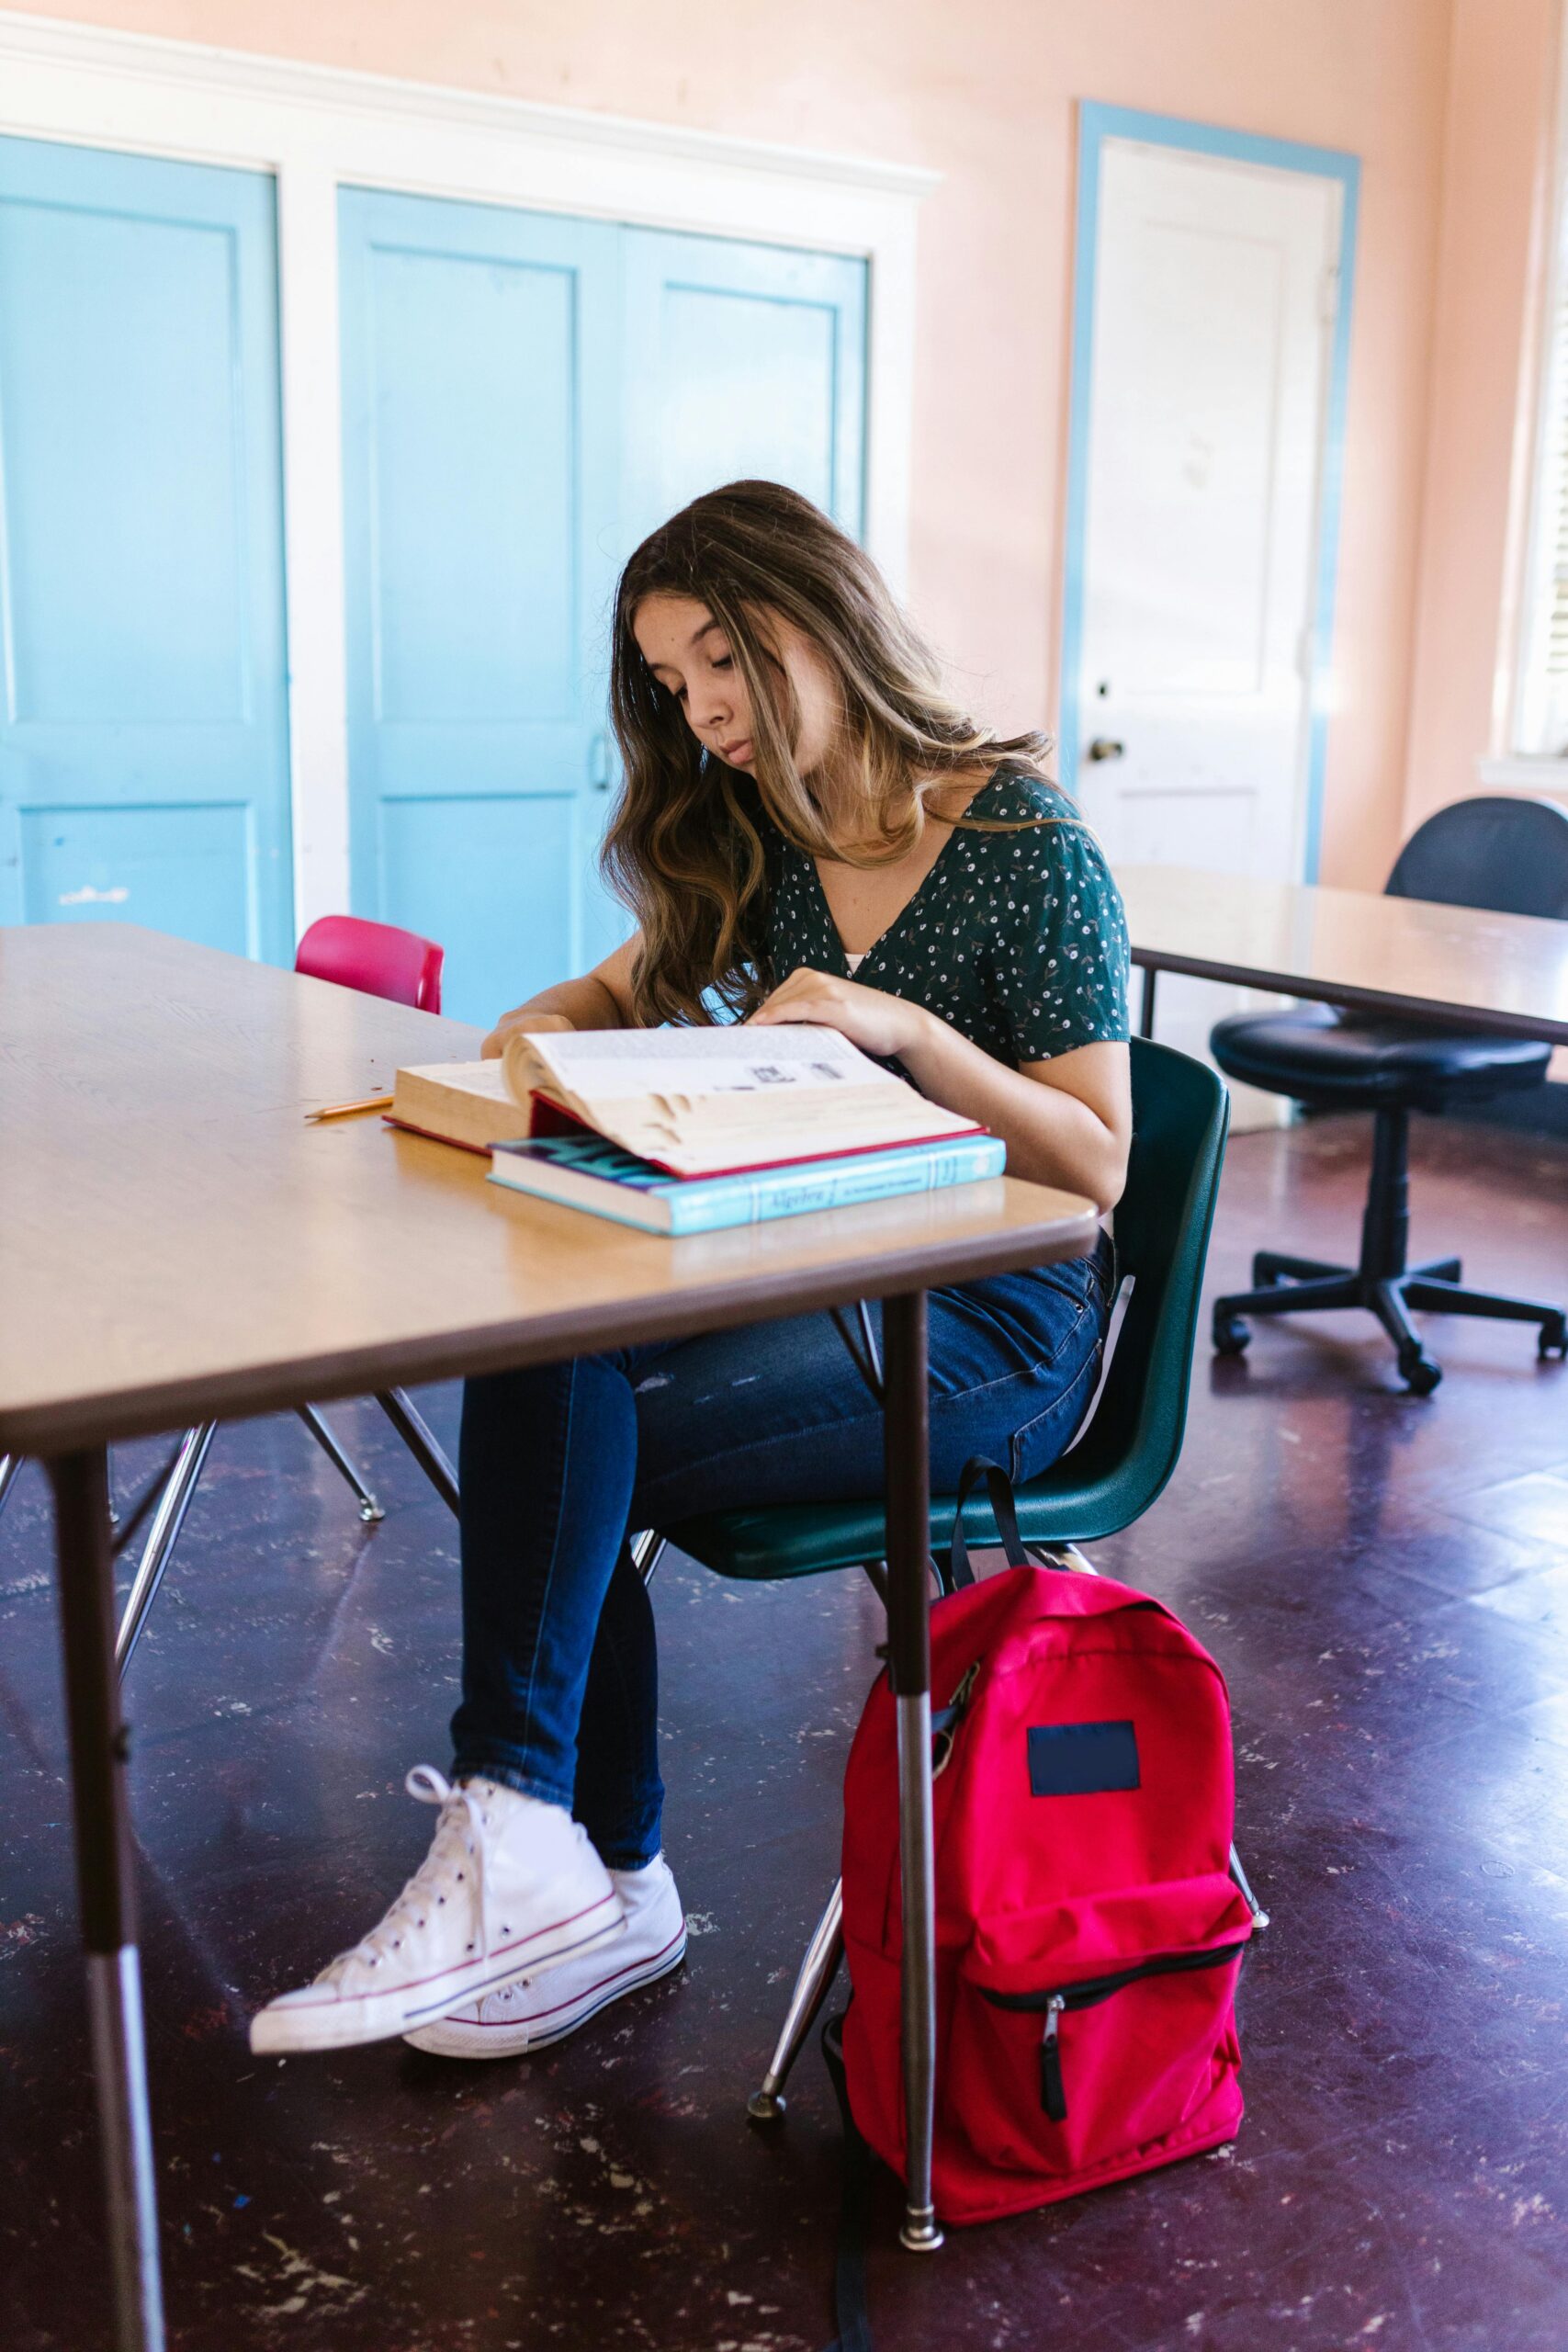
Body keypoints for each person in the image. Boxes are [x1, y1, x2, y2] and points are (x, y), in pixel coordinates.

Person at [252, 480, 1132, 2061]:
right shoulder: (772, 830)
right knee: (554, 1352)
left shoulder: (1022, 840)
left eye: (721, 659)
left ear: (822, 616)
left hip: (997, 1325)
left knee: (579, 1443)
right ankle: (565, 1857)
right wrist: (533, 1041)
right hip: (829, 1280)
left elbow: (1098, 1160)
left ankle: (575, 1858)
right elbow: (619, 982)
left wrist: (906, 1033)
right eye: (671, 683)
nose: (704, 709)